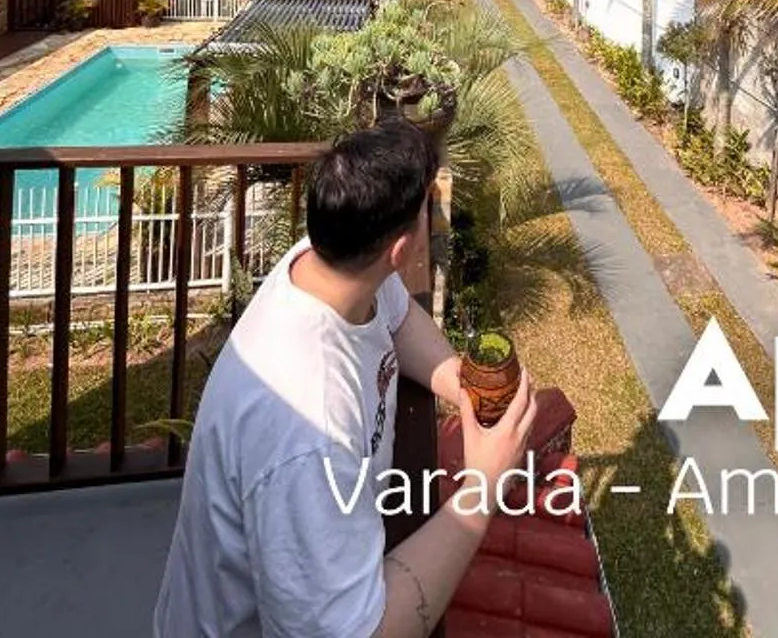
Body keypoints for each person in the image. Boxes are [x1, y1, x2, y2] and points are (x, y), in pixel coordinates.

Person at [155, 120, 538, 638]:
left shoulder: (323, 262)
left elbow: (399, 317)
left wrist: (463, 388)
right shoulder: (307, 431)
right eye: (428, 207)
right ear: (400, 251)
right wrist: (480, 489)